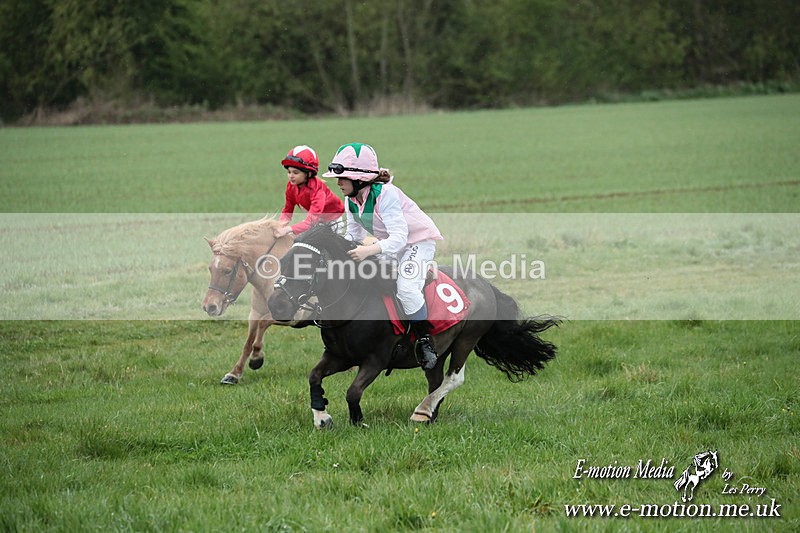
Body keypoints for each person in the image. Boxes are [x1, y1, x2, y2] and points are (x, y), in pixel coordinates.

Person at [321, 142, 443, 370]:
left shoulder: (386, 195)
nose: (338, 183)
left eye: (342, 178)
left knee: (406, 288)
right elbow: (353, 235)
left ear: (360, 179)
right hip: (391, 246)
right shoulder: (351, 199)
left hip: (417, 243)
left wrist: (368, 250)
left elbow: (399, 238)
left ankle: (425, 341)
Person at [274, 145, 344, 238]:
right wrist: (279, 226)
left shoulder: (317, 190)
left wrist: (288, 229)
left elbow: (310, 222)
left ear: (309, 173)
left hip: (332, 222)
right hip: (315, 220)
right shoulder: (291, 186)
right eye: (289, 172)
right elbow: (287, 211)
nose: (291, 176)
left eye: (295, 172)